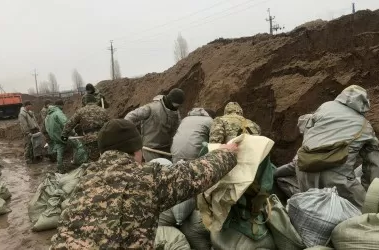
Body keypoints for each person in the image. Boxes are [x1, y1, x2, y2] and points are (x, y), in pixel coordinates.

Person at [50, 119, 239, 249]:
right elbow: (198, 173)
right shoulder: (146, 179)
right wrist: (227, 152)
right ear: (137, 149)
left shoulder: (86, 177)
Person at [295, 85, 379, 208]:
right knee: (367, 210)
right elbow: (374, 164)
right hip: (336, 177)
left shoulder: (326, 106)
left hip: (304, 168)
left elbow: (304, 123)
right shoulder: (365, 125)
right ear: (364, 104)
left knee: (309, 208)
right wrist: (369, 190)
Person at [124, 88, 185, 162]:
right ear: (170, 100)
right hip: (150, 150)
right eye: (176, 104)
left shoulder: (175, 113)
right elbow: (130, 117)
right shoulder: (151, 108)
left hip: (167, 151)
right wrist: (132, 136)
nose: (176, 107)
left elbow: (178, 130)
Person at [62, 94, 109, 161]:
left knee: (94, 160)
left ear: (85, 101)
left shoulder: (81, 111)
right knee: (105, 158)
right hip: (103, 137)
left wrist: (64, 134)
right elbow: (110, 124)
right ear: (95, 101)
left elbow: (70, 124)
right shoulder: (103, 111)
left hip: (90, 139)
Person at [45, 100, 88, 173]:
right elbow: (66, 124)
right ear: (61, 105)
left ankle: (60, 168)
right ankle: (79, 163)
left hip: (56, 137)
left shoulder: (48, 116)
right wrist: (73, 133)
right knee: (78, 145)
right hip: (64, 136)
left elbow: (47, 128)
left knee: (60, 151)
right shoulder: (58, 113)